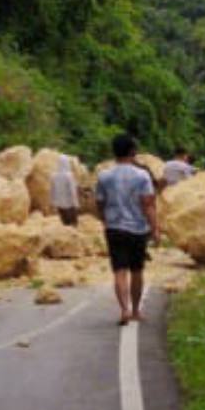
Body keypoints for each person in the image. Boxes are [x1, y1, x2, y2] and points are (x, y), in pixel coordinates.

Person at [94, 134, 159, 326]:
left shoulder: (104, 176)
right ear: (133, 151)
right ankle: (136, 311)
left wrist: (105, 219)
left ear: (114, 152)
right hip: (138, 229)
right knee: (137, 271)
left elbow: (99, 202)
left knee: (119, 271)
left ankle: (124, 310)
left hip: (114, 228)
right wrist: (155, 229)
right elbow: (148, 205)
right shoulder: (142, 175)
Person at [51, 154, 81, 226]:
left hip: (60, 205)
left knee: (64, 224)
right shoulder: (69, 175)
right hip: (69, 205)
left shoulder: (54, 175)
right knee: (73, 224)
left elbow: (52, 191)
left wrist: (54, 203)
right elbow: (72, 191)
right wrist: (76, 204)